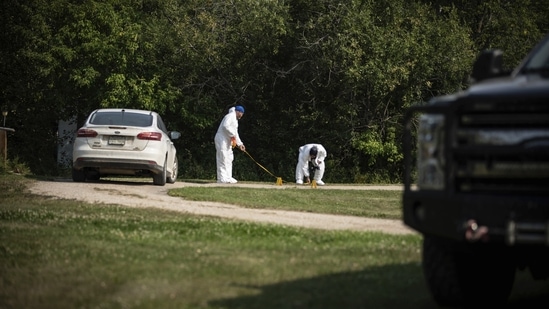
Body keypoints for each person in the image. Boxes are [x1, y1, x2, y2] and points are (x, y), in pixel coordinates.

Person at [214, 105, 246, 183]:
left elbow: (235, 133)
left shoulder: (235, 120)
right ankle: (221, 178)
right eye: (241, 113)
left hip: (228, 141)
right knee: (222, 158)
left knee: (229, 158)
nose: (241, 115)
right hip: (222, 139)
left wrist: (240, 144)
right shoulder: (230, 116)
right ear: (238, 112)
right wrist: (232, 135)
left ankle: (228, 177)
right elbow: (225, 126)